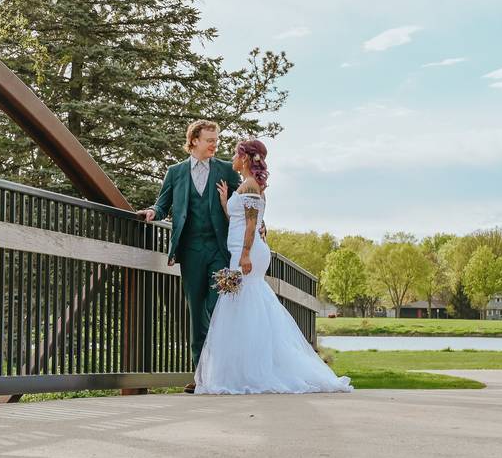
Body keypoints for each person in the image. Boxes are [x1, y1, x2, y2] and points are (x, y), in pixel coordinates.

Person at [194, 139, 352, 395]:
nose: (233, 157)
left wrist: (245, 255)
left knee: (246, 304)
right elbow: (238, 219)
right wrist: (225, 202)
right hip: (242, 250)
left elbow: (250, 226)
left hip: (248, 252)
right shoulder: (246, 187)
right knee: (245, 305)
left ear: (244, 158)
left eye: (236, 154)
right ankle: (246, 368)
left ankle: (256, 370)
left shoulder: (252, 187)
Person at [136, 120, 239, 393]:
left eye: (216, 139)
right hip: (191, 250)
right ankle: (201, 375)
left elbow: (246, 201)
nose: (214, 144)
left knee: (216, 308)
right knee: (196, 312)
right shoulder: (176, 172)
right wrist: (152, 212)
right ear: (194, 140)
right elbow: (163, 202)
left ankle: (222, 371)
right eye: (209, 140)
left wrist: (257, 223)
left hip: (219, 249)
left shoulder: (226, 170)